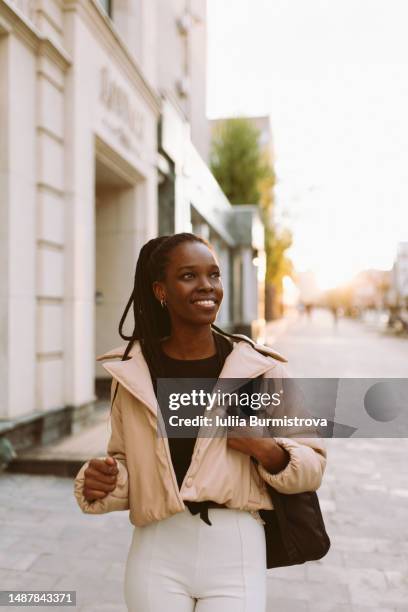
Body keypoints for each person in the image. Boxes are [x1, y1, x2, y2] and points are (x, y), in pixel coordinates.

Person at [74, 233, 327, 612]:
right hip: (156, 549)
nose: (207, 285)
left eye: (214, 275)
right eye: (189, 276)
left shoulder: (260, 367)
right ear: (161, 290)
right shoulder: (133, 373)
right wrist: (105, 480)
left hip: (236, 549)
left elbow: (313, 464)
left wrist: (268, 450)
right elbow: (130, 464)